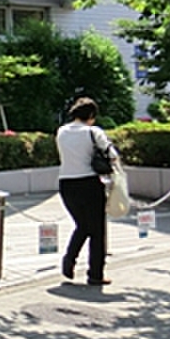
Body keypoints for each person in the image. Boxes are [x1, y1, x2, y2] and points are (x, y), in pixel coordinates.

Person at [55, 96, 116, 286]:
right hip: (89, 184)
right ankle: (95, 274)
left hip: (66, 183)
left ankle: (69, 260)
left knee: (82, 225)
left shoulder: (62, 131)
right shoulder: (93, 132)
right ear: (90, 115)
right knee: (96, 230)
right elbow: (112, 155)